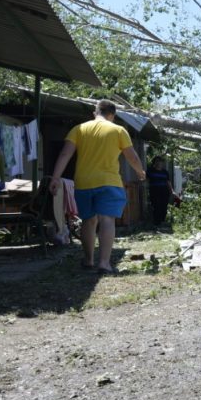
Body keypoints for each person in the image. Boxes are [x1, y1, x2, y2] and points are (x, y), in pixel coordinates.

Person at [49, 99, 146, 274]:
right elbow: (132, 157)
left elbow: (65, 154)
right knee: (107, 220)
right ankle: (104, 263)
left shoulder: (79, 129)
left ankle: (88, 260)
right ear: (112, 115)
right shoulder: (118, 130)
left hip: (84, 182)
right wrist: (140, 172)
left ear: (95, 112)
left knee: (88, 220)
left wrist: (55, 178)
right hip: (109, 182)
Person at [146, 155, 175, 228]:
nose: (159, 163)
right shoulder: (150, 171)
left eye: (160, 161)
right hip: (154, 191)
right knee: (156, 206)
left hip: (164, 191)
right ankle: (156, 223)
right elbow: (145, 179)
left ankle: (162, 221)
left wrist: (172, 191)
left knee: (164, 206)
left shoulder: (165, 172)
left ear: (162, 163)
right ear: (154, 163)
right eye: (157, 161)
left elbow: (168, 182)